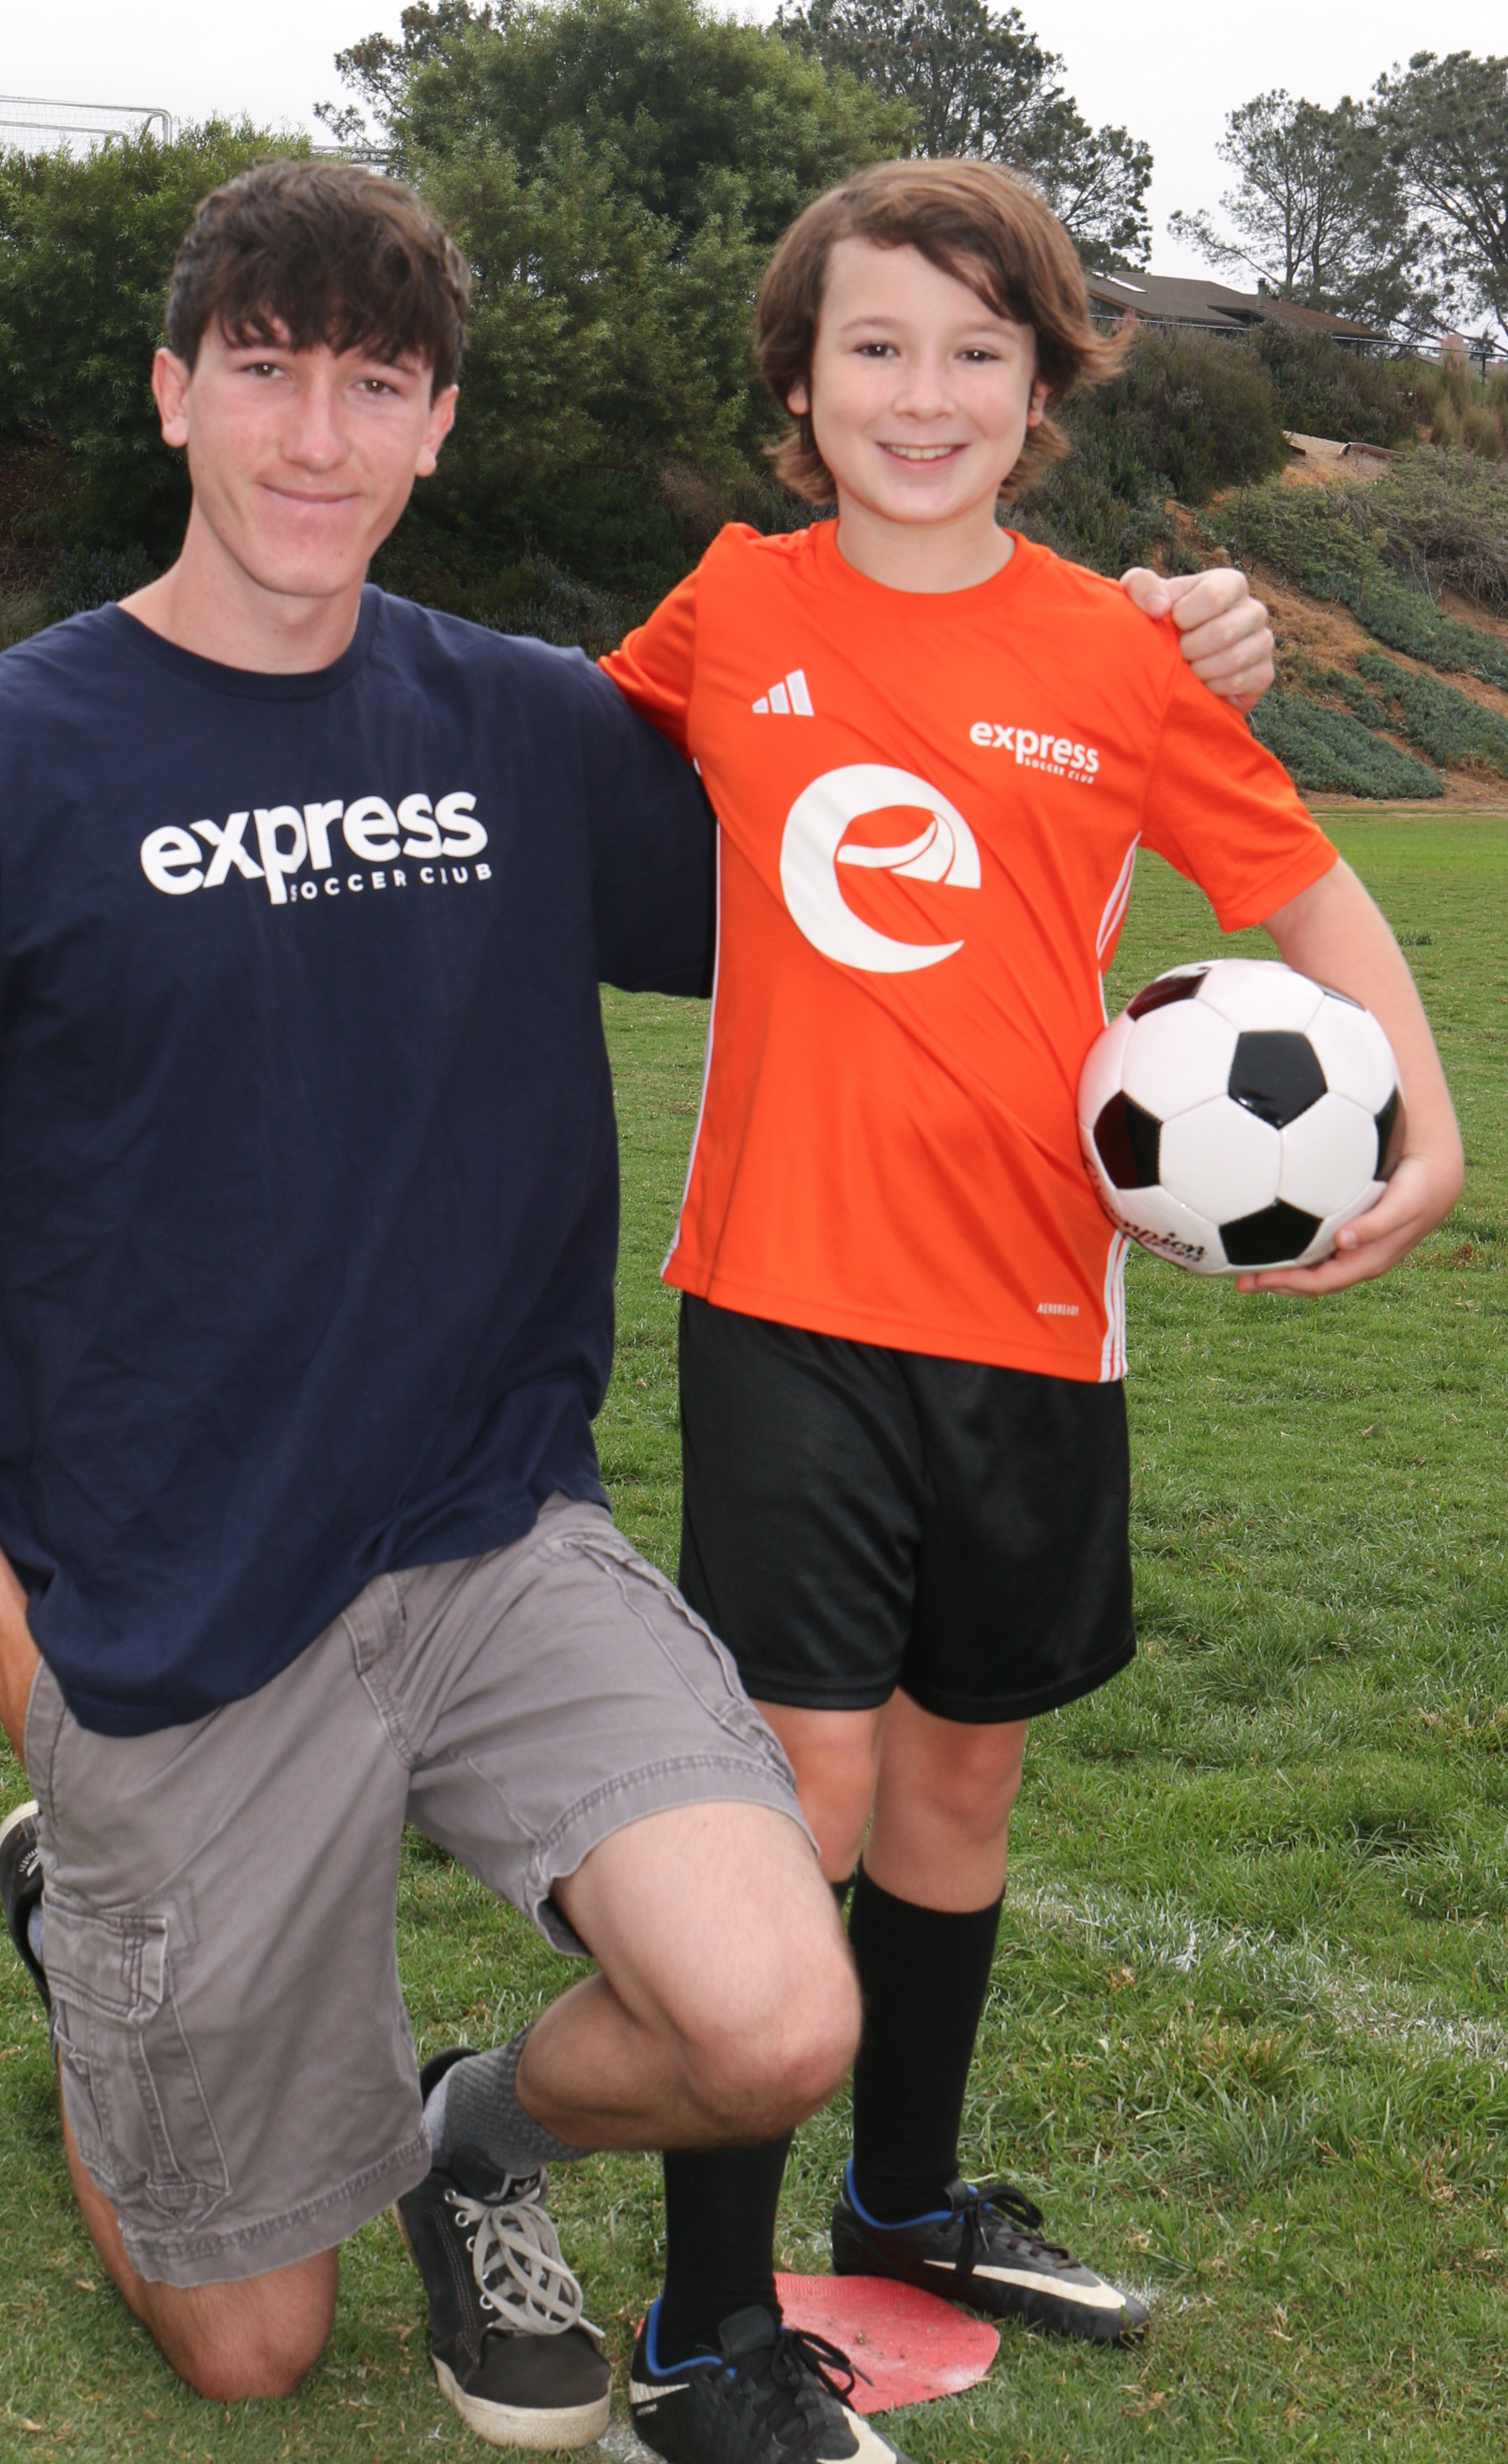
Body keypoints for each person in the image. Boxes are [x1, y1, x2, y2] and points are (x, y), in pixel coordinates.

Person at [0, 156, 1278, 2464]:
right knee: (253, 2339)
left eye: (377, 384)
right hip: (175, 1622)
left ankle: (472, 2126)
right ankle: (101, 1949)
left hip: (491, 1547)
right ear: (173, 392)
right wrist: (17, 1666)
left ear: (439, 425)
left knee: (774, 2016)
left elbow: (891, 816)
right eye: (266, 371)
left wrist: (1133, 646)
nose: (317, 436)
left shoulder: (529, 728)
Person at [597, 158, 1464, 2463]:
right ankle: (700, 2330)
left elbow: (1302, 884)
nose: (924, 393)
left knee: (960, 1775)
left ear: (1039, 387)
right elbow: (543, 772)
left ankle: (899, 2204)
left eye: (976, 350)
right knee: (798, 1788)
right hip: (780, 1299)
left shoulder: (1119, 653)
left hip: (1031, 1314)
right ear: (798, 383)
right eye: (874, 345)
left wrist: (1431, 1117)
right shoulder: (729, 605)